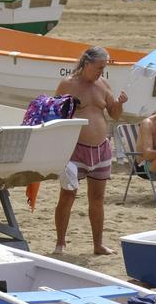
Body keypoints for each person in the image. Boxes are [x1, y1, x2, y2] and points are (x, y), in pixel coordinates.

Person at [54, 46, 127, 255]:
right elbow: (55, 114)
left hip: (101, 149)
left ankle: (98, 244)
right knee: (68, 196)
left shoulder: (102, 84)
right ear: (86, 64)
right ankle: (60, 243)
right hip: (75, 149)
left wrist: (120, 104)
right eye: (98, 68)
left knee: (97, 198)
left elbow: (114, 114)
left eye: (103, 68)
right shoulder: (68, 84)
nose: (100, 72)